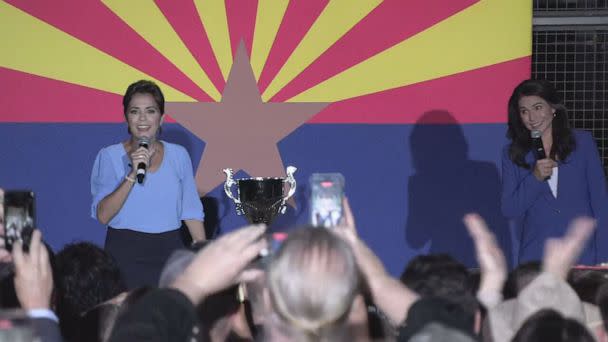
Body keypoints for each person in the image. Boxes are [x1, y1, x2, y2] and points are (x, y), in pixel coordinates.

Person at [91, 80, 206, 288]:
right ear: (127, 117)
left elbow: (191, 210)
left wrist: (203, 255)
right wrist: (132, 174)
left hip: (169, 253)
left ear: (161, 118)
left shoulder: (178, 155)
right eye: (135, 111)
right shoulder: (109, 156)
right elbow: (103, 215)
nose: (142, 118)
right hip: (124, 254)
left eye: (150, 111)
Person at [501, 79, 607, 265]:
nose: (532, 118)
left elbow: (600, 203)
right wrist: (535, 178)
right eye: (524, 111)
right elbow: (510, 209)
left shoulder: (582, 143)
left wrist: (604, 257)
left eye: (538, 107)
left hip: (583, 257)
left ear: (553, 108)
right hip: (536, 259)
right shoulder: (513, 153)